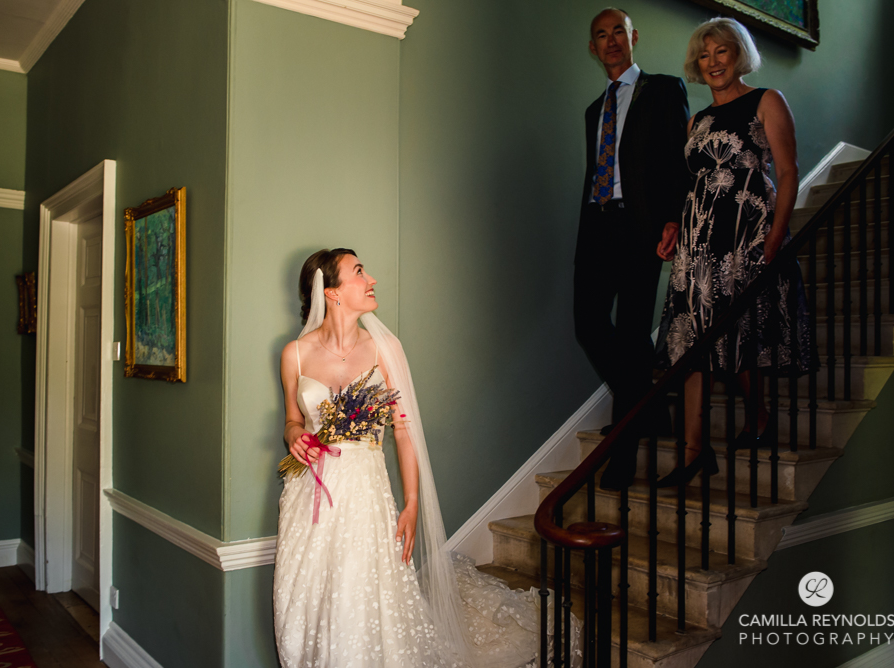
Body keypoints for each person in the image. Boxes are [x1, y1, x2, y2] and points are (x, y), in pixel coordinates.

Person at [274, 249, 580, 668]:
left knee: (357, 595)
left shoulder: (386, 348)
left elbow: (404, 430)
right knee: (308, 597)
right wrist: (295, 435)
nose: (372, 280)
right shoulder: (294, 353)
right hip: (310, 495)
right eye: (359, 272)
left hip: (365, 494)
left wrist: (412, 502)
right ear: (332, 293)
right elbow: (293, 420)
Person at [655, 18, 810, 487]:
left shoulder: (766, 101)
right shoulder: (696, 121)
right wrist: (674, 224)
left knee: (736, 333)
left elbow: (788, 172)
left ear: (738, 54)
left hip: (747, 235)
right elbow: (691, 184)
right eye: (704, 55)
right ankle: (694, 452)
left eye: (721, 51)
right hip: (698, 243)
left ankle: (758, 413)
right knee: (692, 340)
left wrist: (775, 237)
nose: (713, 62)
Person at [575, 8, 690, 490]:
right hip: (598, 225)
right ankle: (649, 407)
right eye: (601, 35)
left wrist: (674, 217)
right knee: (587, 323)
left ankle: (622, 455)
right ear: (593, 48)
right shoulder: (593, 110)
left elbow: (679, 158)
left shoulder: (662, 90)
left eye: (618, 31)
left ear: (633, 37)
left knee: (630, 334)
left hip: (642, 227)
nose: (611, 41)